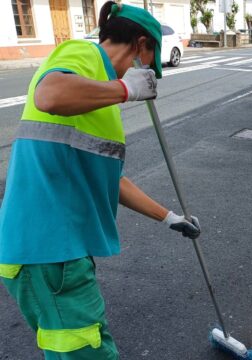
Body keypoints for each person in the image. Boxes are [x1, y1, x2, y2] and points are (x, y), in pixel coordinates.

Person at [0, 2, 200, 359]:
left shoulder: (99, 95)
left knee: (75, 348)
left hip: (57, 251)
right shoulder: (84, 53)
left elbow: (113, 180)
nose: (143, 72)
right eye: (147, 62)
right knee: (87, 352)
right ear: (141, 44)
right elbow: (49, 95)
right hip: (47, 250)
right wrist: (124, 89)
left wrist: (170, 218)